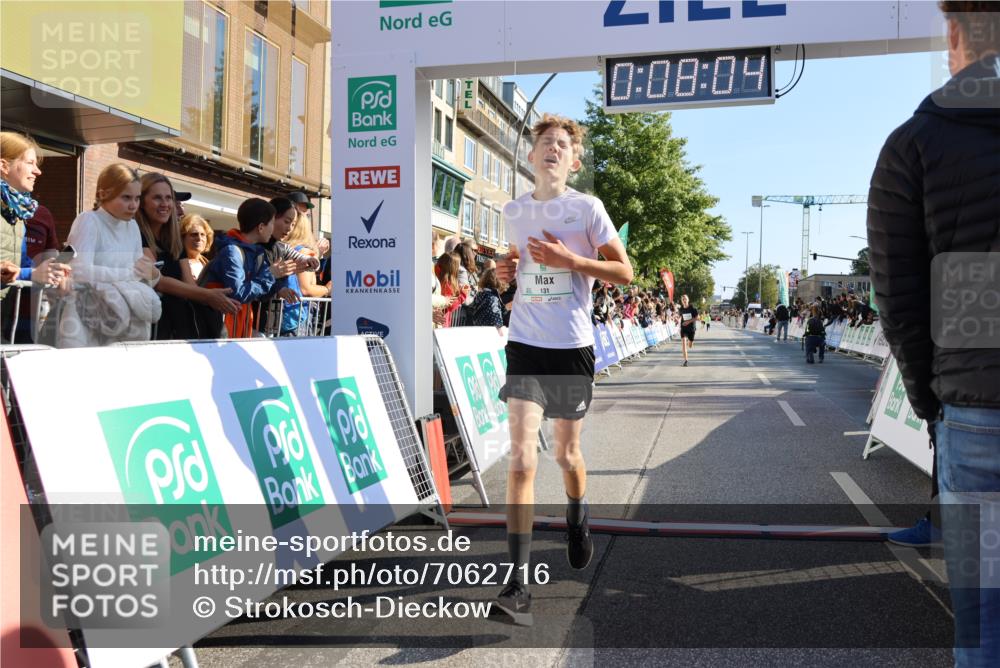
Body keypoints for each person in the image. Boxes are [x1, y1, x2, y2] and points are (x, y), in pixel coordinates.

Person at [867, 3, 1000, 665]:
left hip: (977, 409)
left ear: (954, 35)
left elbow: (900, 300)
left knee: (984, 627)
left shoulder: (914, 143)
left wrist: (931, 404)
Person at [495, 113, 633, 625]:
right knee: (521, 460)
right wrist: (504, 270)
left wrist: (570, 260)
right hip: (525, 343)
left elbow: (624, 272)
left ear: (574, 161)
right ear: (531, 156)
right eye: (545, 142)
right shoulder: (513, 210)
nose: (553, 149)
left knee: (566, 455)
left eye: (562, 145)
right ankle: (517, 584)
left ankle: (578, 514)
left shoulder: (587, 208)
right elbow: (517, 265)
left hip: (571, 347)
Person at [58, 164, 161, 347]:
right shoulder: (88, 220)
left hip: (124, 322)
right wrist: (131, 274)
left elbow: (140, 274)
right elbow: (79, 271)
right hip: (85, 316)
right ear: (104, 194)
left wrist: (152, 274)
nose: (133, 205)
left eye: (137, 198)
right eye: (126, 197)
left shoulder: (132, 226)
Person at [136, 173, 237, 339]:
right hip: (149, 326)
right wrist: (207, 296)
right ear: (142, 201)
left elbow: (189, 283)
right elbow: (158, 281)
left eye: (169, 198)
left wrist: (214, 297)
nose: (165, 204)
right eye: (157, 198)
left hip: (177, 326)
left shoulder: (174, 240)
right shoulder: (136, 234)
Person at [1, 132, 70, 334]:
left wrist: (48, 271)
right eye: (30, 163)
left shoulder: (16, 211)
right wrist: (32, 274)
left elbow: (17, 265)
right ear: (4, 166)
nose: (37, 171)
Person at [199, 198, 278, 337]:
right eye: (272, 222)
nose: (273, 228)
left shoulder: (256, 253)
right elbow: (238, 292)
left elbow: (258, 292)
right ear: (261, 227)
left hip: (238, 327)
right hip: (220, 328)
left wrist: (279, 283)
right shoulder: (232, 251)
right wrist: (269, 275)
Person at [178, 214, 213, 285]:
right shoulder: (176, 264)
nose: (199, 238)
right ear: (182, 238)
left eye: (202, 234)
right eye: (194, 234)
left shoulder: (209, 264)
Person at [677, 294, 698, 366]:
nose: (684, 300)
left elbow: (697, 317)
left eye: (685, 299)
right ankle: (686, 361)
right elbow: (680, 316)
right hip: (683, 328)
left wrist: (688, 322)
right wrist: (677, 319)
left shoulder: (692, 308)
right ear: (682, 301)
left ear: (688, 300)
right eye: (683, 299)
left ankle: (690, 341)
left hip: (691, 328)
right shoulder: (681, 309)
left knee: (690, 345)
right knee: (683, 343)